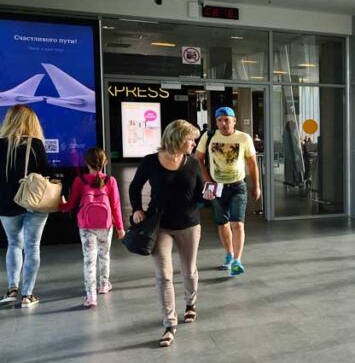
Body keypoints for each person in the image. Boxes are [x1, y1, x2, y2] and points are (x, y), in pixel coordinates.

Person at [130, 120, 213, 347]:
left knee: (189, 270)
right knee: (164, 275)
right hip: (160, 226)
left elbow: (198, 195)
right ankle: (169, 324)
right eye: (191, 139)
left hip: (189, 224)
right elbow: (134, 187)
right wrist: (137, 208)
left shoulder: (193, 164)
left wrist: (206, 199)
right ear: (177, 139)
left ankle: (190, 303)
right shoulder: (150, 162)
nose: (194, 143)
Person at [195, 107, 260, 276]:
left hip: (238, 186)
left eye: (227, 120)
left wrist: (256, 185)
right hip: (217, 186)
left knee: (237, 223)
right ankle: (229, 254)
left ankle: (237, 260)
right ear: (216, 122)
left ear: (234, 121)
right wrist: (207, 180)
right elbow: (198, 159)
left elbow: (252, 163)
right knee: (223, 224)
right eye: (220, 120)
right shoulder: (208, 137)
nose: (223, 123)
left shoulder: (243, 138)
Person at [0, 105, 52, 308]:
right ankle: (27, 295)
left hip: (5, 205)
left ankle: (12, 289)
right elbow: (46, 173)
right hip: (34, 204)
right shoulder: (35, 144)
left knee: (13, 244)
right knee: (32, 247)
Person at [60, 147, 125, 307]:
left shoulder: (80, 181)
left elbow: (71, 204)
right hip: (106, 225)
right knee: (104, 255)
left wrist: (61, 205)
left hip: (86, 226)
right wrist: (120, 228)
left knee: (89, 260)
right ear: (104, 163)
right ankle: (104, 285)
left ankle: (91, 297)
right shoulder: (110, 180)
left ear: (86, 162)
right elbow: (116, 207)